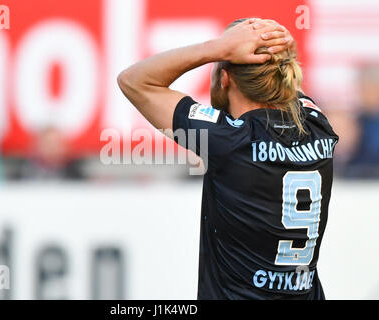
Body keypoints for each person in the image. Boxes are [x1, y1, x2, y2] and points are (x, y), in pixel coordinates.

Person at [118, 18, 338, 300]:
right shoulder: (317, 125)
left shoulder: (229, 140)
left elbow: (133, 81)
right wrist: (281, 52)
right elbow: (287, 91)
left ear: (224, 77)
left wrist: (216, 48)